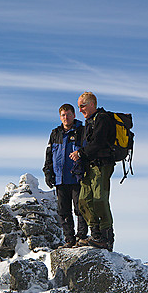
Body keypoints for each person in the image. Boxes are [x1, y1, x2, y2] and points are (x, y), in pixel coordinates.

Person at [69, 92, 116, 250]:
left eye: (82, 106)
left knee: (99, 200)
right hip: (89, 167)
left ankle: (106, 238)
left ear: (92, 104)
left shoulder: (102, 119)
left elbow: (98, 142)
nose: (80, 110)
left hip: (101, 166)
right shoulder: (89, 122)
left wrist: (80, 153)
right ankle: (95, 235)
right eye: (79, 107)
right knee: (83, 200)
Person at [43, 103, 88, 248]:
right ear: (60, 117)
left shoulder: (82, 131)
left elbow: (88, 152)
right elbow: (49, 154)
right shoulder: (55, 133)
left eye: (68, 114)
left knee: (80, 209)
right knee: (63, 211)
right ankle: (69, 239)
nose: (66, 117)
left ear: (74, 115)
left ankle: (81, 237)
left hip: (77, 177)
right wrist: (48, 172)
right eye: (63, 115)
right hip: (60, 178)